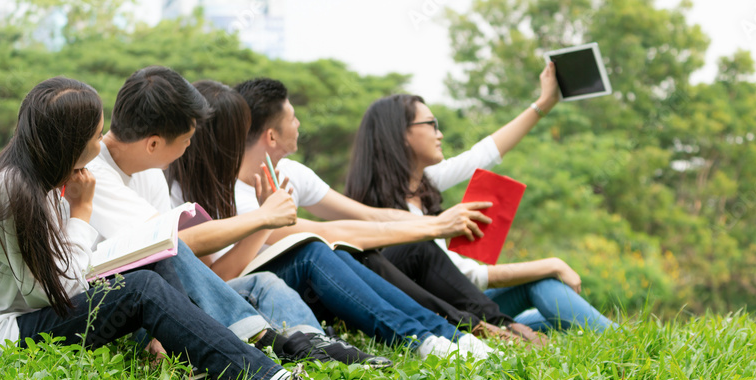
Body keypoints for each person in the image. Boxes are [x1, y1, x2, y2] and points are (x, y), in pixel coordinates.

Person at [0, 77, 301, 380]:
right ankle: (265, 377)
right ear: (70, 143)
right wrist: (82, 213)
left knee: (155, 255)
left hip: (20, 318)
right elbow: (56, 293)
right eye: (97, 136)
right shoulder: (12, 193)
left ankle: (192, 356)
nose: (101, 145)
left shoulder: (32, 179)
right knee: (141, 289)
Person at [167, 80, 494, 360]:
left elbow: (357, 219)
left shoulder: (262, 179)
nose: (243, 141)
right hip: (246, 294)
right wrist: (264, 220)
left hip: (270, 282)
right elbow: (212, 283)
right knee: (316, 252)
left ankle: (447, 335)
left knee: (341, 250)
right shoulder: (190, 191)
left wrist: (430, 225)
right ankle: (426, 339)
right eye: (237, 132)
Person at [84, 66, 373, 366]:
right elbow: (170, 245)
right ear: (154, 143)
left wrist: (264, 217)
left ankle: (312, 342)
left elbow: (175, 262)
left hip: (167, 293)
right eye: (186, 139)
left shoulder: (151, 173)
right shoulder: (95, 175)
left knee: (264, 283)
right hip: (126, 304)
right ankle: (268, 342)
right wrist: (263, 217)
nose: (188, 147)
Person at [231, 77, 544, 346]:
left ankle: (489, 325)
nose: (299, 124)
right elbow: (331, 233)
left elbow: (365, 215)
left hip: (347, 278)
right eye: (293, 118)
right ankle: (462, 331)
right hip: (300, 290)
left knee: (403, 247)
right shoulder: (238, 196)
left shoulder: (291, 172)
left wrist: (436, 223)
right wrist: (435, 226)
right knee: (351, 252)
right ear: (271, 135)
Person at [344, 65, 615, 333]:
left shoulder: (423, 185)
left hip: (469, 306)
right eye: (431, 124)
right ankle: (618, 338)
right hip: (445, 317)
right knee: (543, 281)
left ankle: (616, 336)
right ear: (401, 134)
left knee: (548, 297)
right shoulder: (372, 213)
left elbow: (483, 153)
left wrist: (544, 103)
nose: (440, 134)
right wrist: (550, 264)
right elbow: (468, 278)